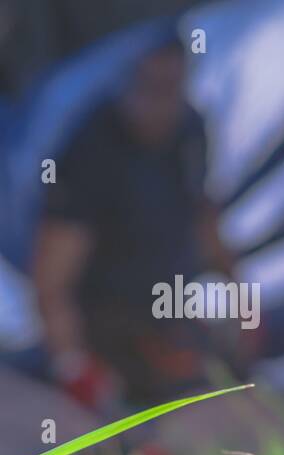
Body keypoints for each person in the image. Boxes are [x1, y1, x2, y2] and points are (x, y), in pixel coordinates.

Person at [32, 36, 253, 410]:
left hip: (173, 315)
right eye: (150, 88)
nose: (160, 105)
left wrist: (243, 303)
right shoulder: (92, 147)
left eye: (171, 88)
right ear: (126, 83)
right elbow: (52, 280)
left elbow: (204, 219)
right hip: (105, 330)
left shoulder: (190, 132)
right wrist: (74, 367)